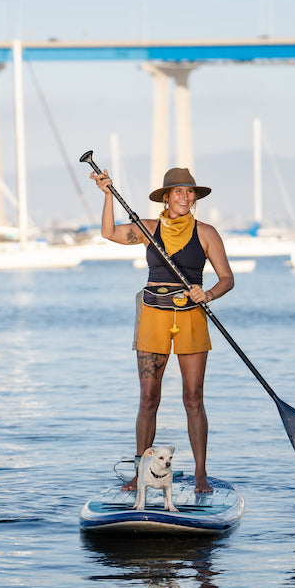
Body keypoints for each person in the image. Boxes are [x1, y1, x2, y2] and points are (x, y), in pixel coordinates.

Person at [91, 166, 234, 494]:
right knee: (148, 398)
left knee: (193, 398)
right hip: (153, 316)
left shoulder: (207, 233)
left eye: (190, 191)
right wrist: (107, 195)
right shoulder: (148, 228)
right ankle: (140, 472)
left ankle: (201, 475)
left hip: (191, 318)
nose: (185, 196)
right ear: (166, 197)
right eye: (178, 191)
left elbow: (227, 278)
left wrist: (208, 293)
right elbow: (109, 232)